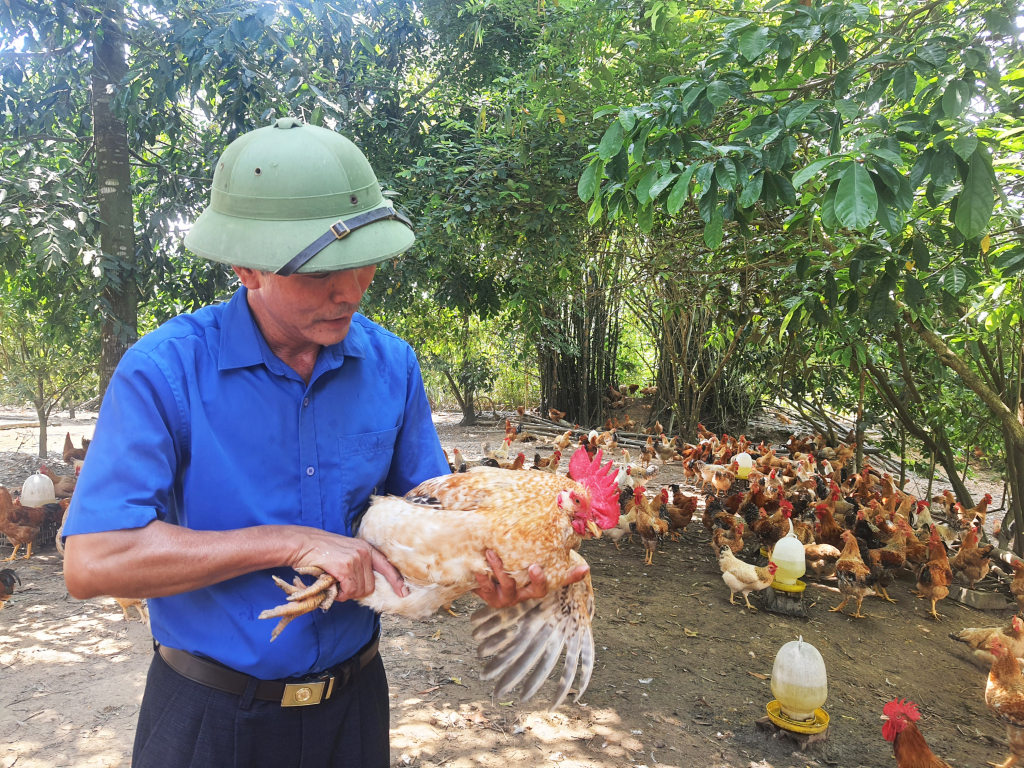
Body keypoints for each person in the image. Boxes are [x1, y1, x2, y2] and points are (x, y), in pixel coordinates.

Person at [62, 117, 577, 768]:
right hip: (206, 721)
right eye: (319, 272)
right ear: (245, 266)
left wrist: (490, 572)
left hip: (352, 714)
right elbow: (94, 562)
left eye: (363, 264)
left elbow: (430, 524)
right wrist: (290, 542)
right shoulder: (165, 372)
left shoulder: (393, 367)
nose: (350, 290)